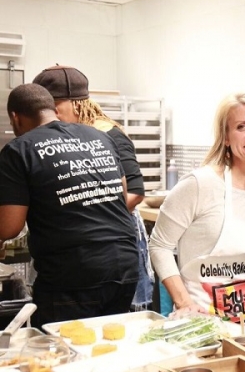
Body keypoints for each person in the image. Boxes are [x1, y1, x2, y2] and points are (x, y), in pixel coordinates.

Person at [0, 83, 139, 328]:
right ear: (53, 109)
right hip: (124, 267)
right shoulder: (100, 138)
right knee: (109, 342)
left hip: (73, 275)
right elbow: (122, 195)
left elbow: (9, 227)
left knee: (62, 347)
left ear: (15, 117)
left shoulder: (18, 150)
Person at [149, 93, 245, 329]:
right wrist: (184, 303)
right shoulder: (200, 184)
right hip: (199, 325)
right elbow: (159, 245)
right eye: (241, 127)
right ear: (226, 137)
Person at [32, 65, 154, 310]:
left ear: (77, 104)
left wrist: (96, 213)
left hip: (116, 239)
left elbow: (135, 192)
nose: (51, 115)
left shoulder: (106, 133)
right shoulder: (67, 136)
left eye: (55, 107)